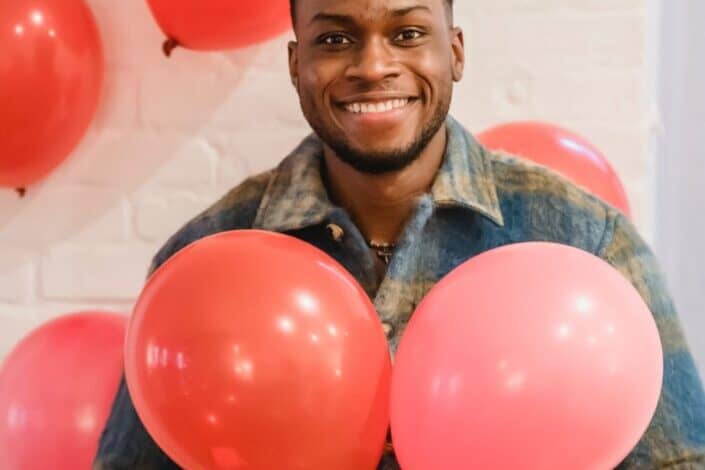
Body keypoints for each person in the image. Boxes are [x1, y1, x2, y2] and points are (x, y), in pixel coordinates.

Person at [93, 0, 705, 468]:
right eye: (335, 39)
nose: (373, 66)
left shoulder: (584, 242)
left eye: (408, 33)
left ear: (456, 52)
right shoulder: (201, 265)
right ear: (295, 62)